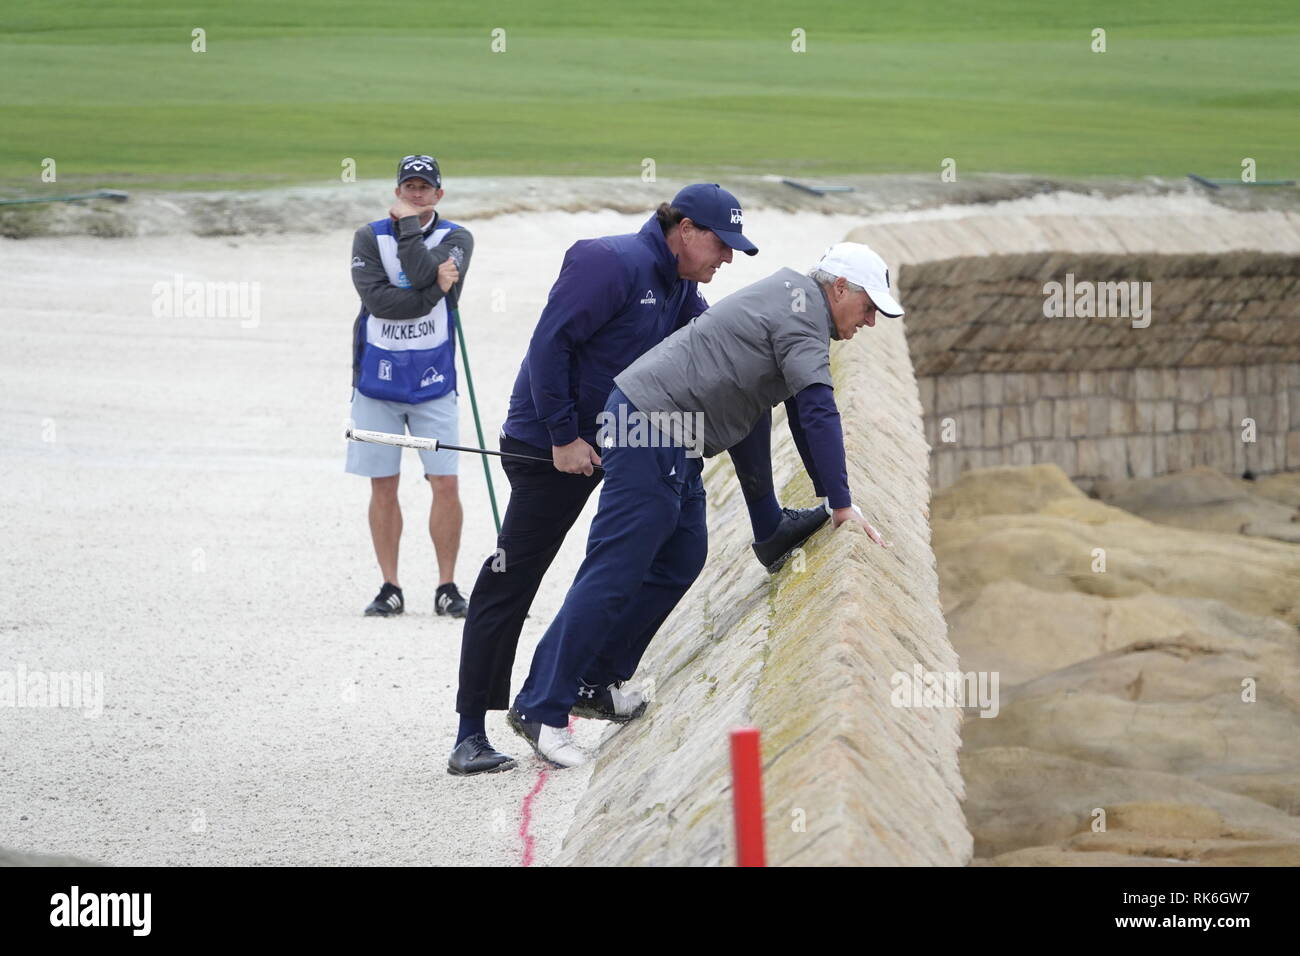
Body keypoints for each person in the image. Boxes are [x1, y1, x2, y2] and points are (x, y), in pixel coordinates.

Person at [448, 185, 831, 775]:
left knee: (678, 551)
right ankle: (471, 731)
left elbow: (711, 352)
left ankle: (593, 680)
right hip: (552, 443)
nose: (725, 259)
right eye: (720, 245)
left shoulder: (682, 283)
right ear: (684, 229)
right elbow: (551, 345)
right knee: (513, 576)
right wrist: (561, 437)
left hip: (628, 439)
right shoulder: (609, 261)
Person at [507, 242, 901, 767]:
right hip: (650, 423)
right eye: (869, 307)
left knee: (681, 556)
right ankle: (541, 705)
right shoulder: (804, 314)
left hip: (674, 432)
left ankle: (593, 681)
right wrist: (845, 506)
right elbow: (819, 409)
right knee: (615, 568)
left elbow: (804, 415)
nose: (870, 321)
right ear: (839, 289)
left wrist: (832, 498)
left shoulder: (799, 299)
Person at [346, 155, 474, 620]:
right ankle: (390, 586)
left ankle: (446, 586)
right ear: (398, 191)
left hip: (434, 380)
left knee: (445, 482)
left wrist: (412, 238)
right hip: (376, 380)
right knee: (383, 484)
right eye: (409, 187)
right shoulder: (367, 236)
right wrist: (432, 290)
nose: (416, 194)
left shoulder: (457, 238)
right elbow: (378, 302)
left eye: (425, 188)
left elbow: (420, 276)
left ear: (439, 194)